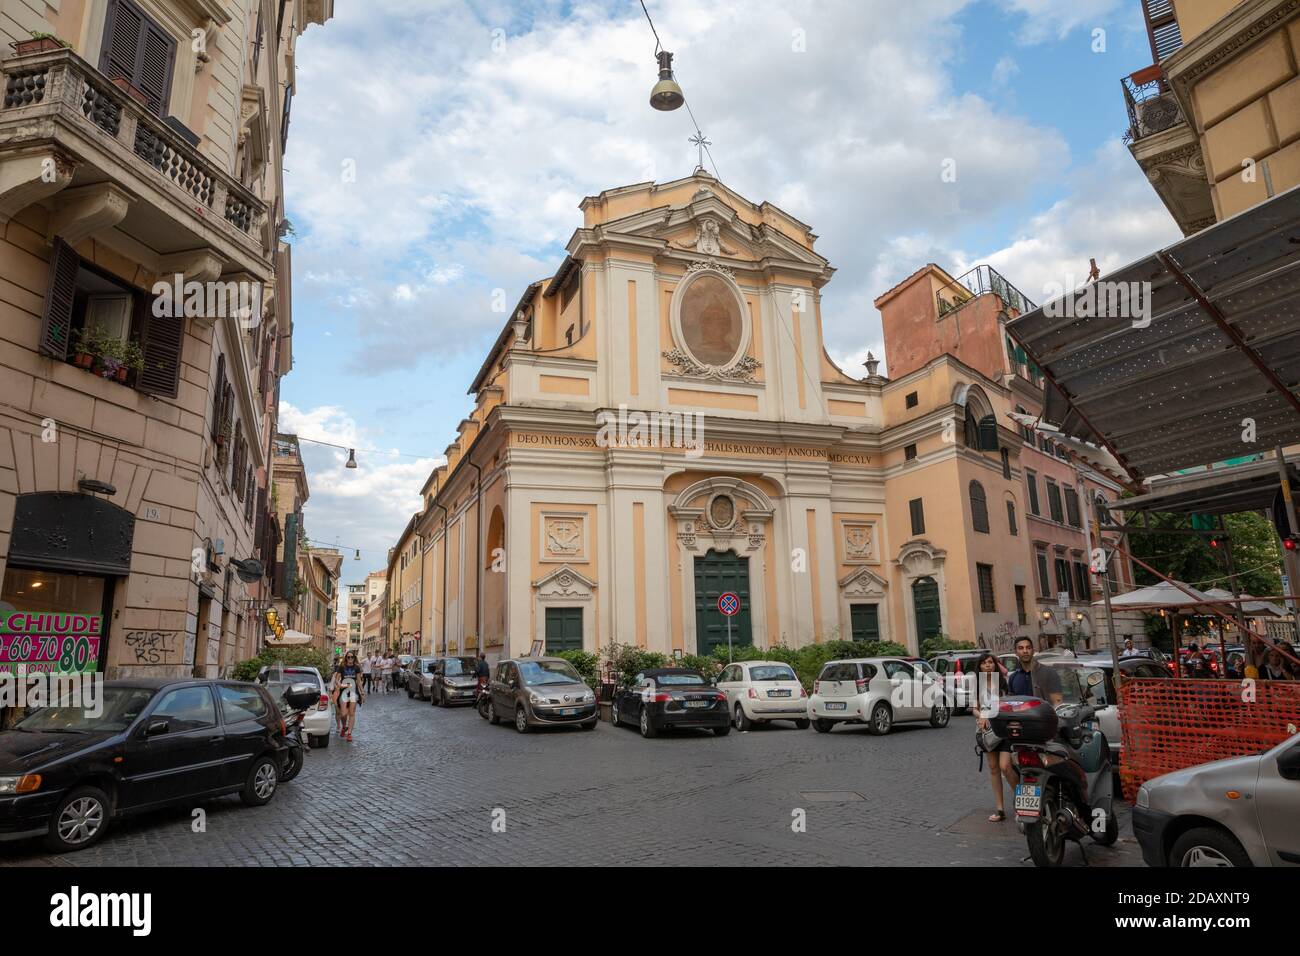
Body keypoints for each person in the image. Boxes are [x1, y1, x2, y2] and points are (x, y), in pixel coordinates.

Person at [973, 652, 1017, 823]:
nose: (988, 665)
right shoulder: (978, 684)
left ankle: (1022, 801)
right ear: (980, 667)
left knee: (1005, 766)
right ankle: (1000, 809)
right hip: (988, 731)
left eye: (990, 662)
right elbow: (974, 708)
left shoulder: (1002, 683)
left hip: (1003, 729)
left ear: (994, 665)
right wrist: (982, 715)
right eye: (984, 663)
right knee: (993, 768)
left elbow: (1009, 704)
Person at [332, 650, 365, 742]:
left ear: (354, 658)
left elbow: (358, 681)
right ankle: (344, 727)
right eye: (348, 657)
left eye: (352, 657)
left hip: (353, 692)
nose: (350, 658)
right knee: (343, 714)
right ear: (346, 658)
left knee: (352, 713)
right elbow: (336, 679)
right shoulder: (341, 667)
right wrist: (341, 685)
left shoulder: (357, 668)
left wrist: (362, 692)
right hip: (343, 692)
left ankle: (349, 733)